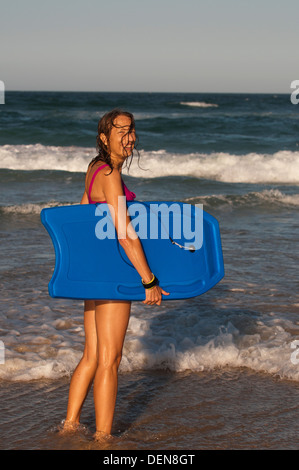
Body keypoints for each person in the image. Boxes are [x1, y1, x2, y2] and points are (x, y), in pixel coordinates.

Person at [61, 109, 169, 441]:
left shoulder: (95, 169)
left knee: (93, 355)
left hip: (96, 274)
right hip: (112, 277)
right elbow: (125, 234)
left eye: (131, 129)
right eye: (119, 130)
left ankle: (69, 425)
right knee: (110, 359)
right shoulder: (109, 174)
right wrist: (148, 279)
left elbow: (81, 216)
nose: (128, 136)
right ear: (104, 138)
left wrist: (82, 269)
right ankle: (103, 438)